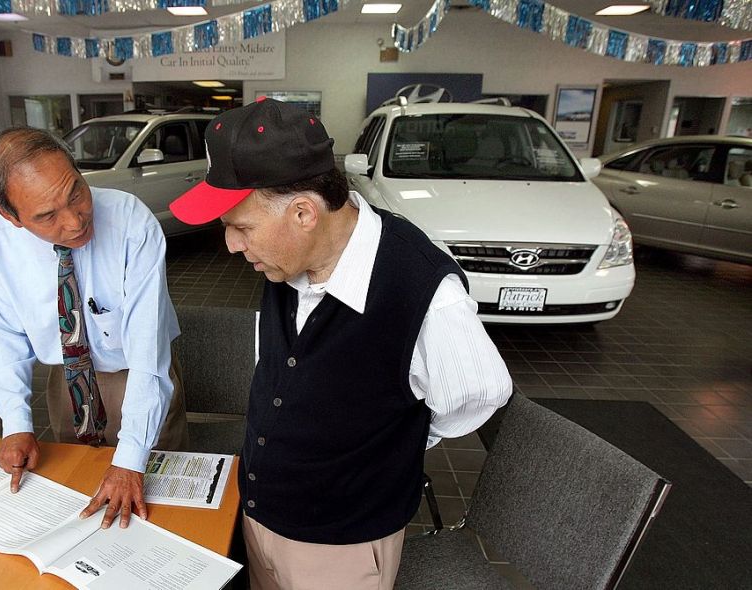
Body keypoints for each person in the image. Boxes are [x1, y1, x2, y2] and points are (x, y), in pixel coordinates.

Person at [169, 98, 512, 589]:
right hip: (261, 513)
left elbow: (478, 395)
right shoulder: (286, 256)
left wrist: (391, 442)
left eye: (240, 227)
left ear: (305, 212)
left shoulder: (423, 292)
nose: (230, 245)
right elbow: (274, 368)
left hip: (339, 547)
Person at [0, 127, 187, 530]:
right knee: (76, 498)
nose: (74, 221)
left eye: (75, 193)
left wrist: (129, 462)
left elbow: (148, 348)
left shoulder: (131, 222)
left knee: (156, 510)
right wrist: (16, 423)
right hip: (65, 382)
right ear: (10, 215)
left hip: (139, 377)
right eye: (46, 215)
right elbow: (3, 333)